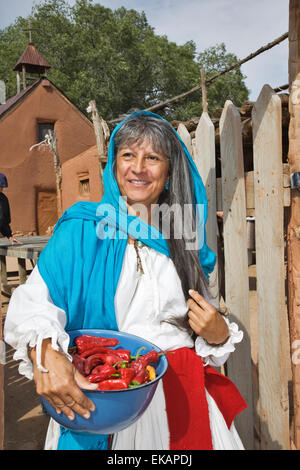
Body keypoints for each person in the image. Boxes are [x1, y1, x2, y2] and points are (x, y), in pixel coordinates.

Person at [4, 111, 247, 450]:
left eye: (152, 158)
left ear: (168, 172)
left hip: (182, 399)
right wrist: (45, 352)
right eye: (128, 155)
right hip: (106, 399)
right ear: (114, 166)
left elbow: (199, 326)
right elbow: (34, 303)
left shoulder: (183, 241)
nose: (138, 167)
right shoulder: (81, 229)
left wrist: (219, 335)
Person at [0, 173, 22, 245]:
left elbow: (4, 220)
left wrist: (9, 236)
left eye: (1, 187)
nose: (1, 189)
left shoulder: (3, 199)